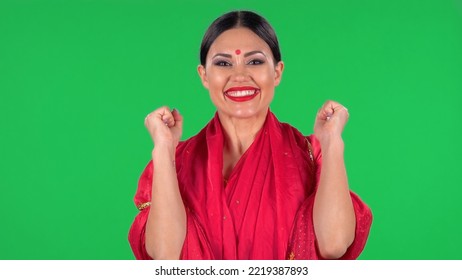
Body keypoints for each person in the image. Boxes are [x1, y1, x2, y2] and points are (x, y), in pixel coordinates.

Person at [128, 10, 372, 260]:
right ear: (204, 75)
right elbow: (165, 258)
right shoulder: (176, 162)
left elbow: (334, 245)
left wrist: (332, 144)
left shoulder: (312, 155)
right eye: (223, 63)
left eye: (254, 61)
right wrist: (163, 149)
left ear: (277, 72)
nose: (240, 76)